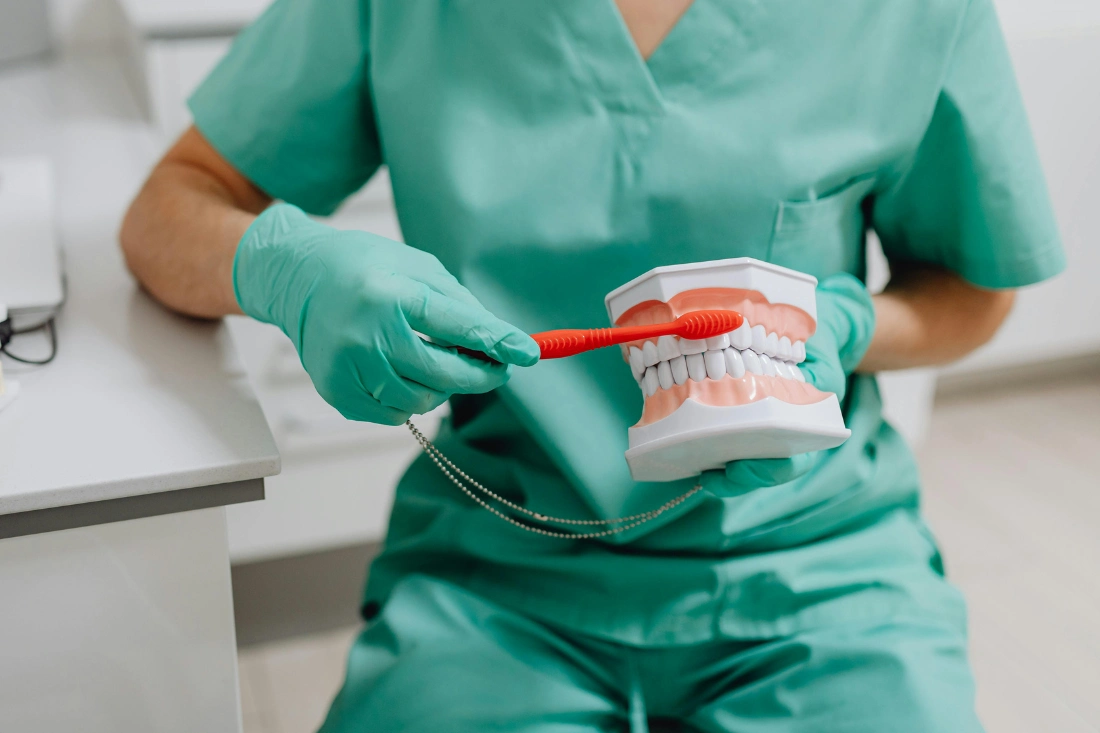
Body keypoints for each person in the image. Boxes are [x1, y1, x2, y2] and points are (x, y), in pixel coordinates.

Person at [121, 0, 1064, 730]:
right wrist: (286, 270)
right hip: (502, 569)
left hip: (818, 565)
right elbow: (169, 209)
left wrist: (849, 326)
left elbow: (974, 290)